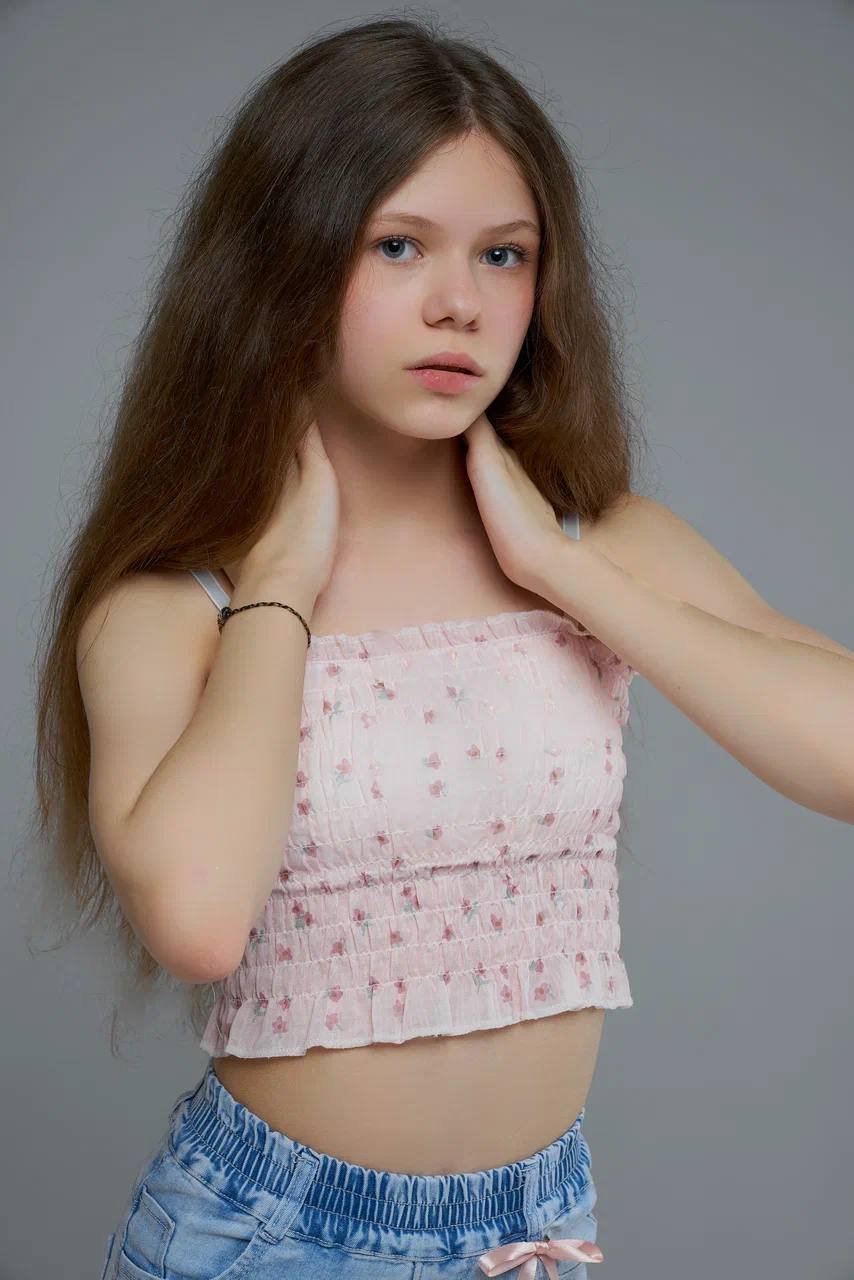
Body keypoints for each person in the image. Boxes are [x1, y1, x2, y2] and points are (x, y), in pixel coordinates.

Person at [31, 16, 853, 1280]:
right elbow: (196, 920)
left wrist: (561, 572)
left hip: (532, 1235)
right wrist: (283, 586)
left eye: (502, 254)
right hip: (268, 1241)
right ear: (283, 263)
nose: (459, 302)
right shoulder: (177, 605)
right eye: (398, 245)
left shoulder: (601, 544)